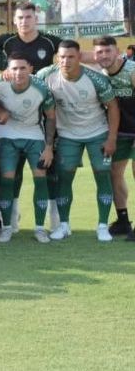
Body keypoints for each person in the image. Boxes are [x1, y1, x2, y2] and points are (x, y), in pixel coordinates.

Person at [37, 40, 119, 242]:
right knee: (65, 178)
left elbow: (113, 108)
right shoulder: (46, 76)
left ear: (79, 57)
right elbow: (24, 81)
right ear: (57, 57)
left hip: (97, 133)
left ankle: (102, 226)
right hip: (67, 136)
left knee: (102, 176)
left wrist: (111, 138)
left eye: (71, 56)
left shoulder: (96, 79)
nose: (65, 61)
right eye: (62, 56)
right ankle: (64, 225)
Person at [0, 54, 57, 243]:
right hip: (6, 137)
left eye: (22, 68)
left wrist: (49, 147)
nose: (18, 72)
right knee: (6, 180)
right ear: (7, 70)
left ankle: (40, 228)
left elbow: (51, 116)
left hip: (34, 136)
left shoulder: (41, 88)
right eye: (14, 69)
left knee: (40, 178)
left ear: (31, 69)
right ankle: (7, 227)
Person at [92, 36, 135, 238]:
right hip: (120, 132)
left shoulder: (132, 70)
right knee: (114, 174)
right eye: (99, 52)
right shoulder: (100, 75)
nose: (104, 56)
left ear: (117, 52)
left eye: (108, 51)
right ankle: (123, 221)